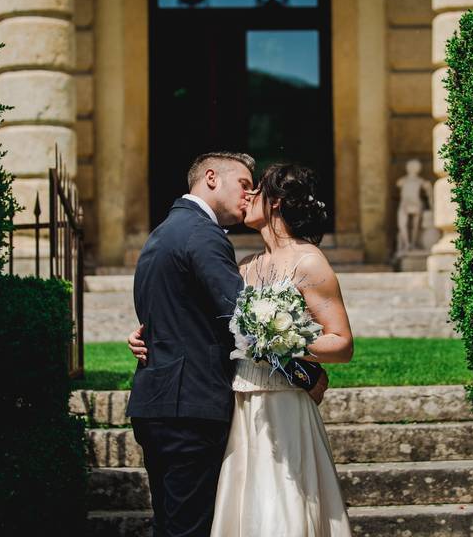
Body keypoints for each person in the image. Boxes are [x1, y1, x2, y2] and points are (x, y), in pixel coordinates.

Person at [131, 162, 352, 537]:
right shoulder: (246, 266)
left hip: (282, 402)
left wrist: (290, 346)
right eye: (244, 185)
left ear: (277, 203)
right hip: (238, 401)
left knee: (281, 504)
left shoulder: (309, 261)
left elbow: (342, 342)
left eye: (257, 188)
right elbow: (214, 317)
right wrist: (148, 334)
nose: (248, 196)